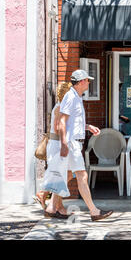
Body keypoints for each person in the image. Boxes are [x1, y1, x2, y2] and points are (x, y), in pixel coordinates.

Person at [58, 69, 113, 221]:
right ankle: (94, 211)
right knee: (82, 175)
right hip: (72, 143)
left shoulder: (76, 97)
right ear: (81, 82)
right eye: (87, 80)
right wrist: (63, 143)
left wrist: (88, 127)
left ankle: (50, 205)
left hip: (75, 142)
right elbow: (62, 122)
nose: (89, 83)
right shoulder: (70, 97)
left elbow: (73, 122)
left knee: (68, 175)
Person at [34, 82, 73, 217]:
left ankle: (58, 205)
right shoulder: (60, 107)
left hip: (57, 144)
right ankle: (47, 196)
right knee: (63, 175)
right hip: (57, 144)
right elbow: (57, 128)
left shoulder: (61, 106)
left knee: (64, 175)